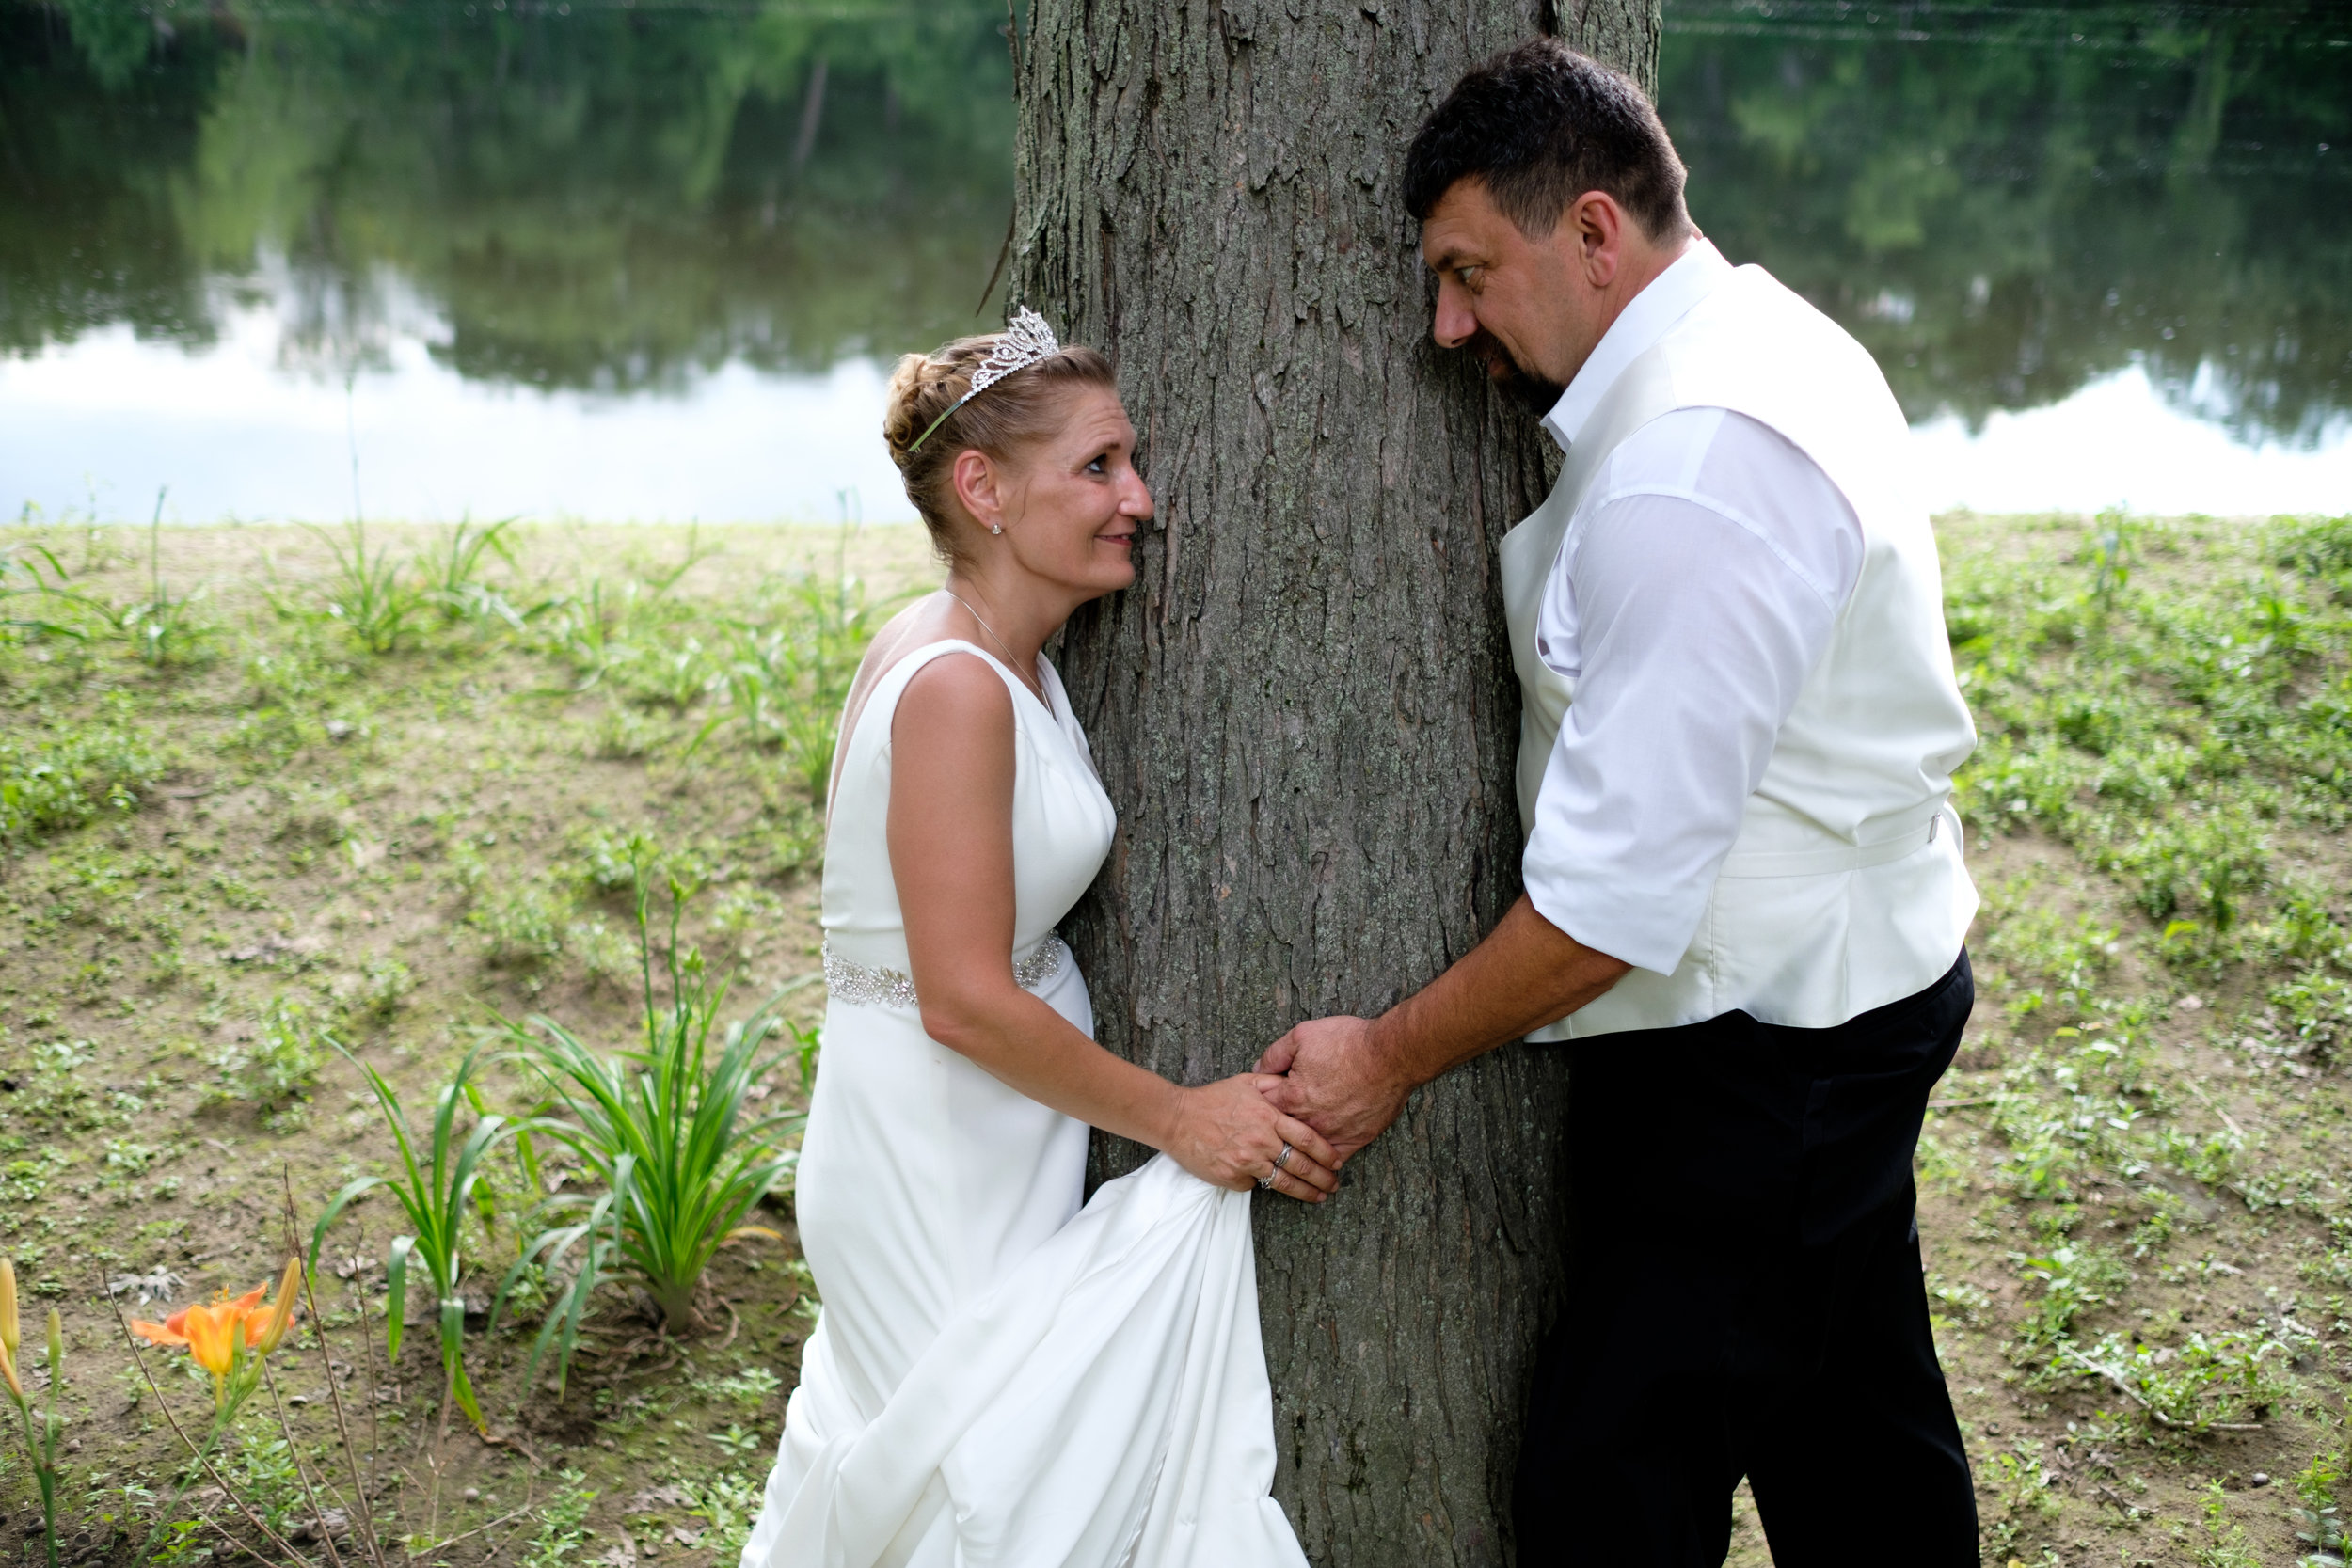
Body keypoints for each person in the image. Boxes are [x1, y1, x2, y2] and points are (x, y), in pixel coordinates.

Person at [1258, 40, 1982, 1568]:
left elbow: (1607, 913)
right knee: (1851, 1423)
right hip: (1842, 989)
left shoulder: (1691, 477)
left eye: (1470, 271)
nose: (1446, 323)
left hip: (1771, 1052)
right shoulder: (1761, 336)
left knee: (1611, 1487)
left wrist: (1384, 1061)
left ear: (1594, 232)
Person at [739, 309, 1327, 1568]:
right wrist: (1180, 1117)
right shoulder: (952, 684)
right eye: (1099, 467)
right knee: (973, 1472)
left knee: (985, 1460)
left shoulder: (1003, 657)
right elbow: (957, 996)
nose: (1142, 499)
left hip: (991, 1130)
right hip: (936, 1150)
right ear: (982, 489)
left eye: (1130, 462)